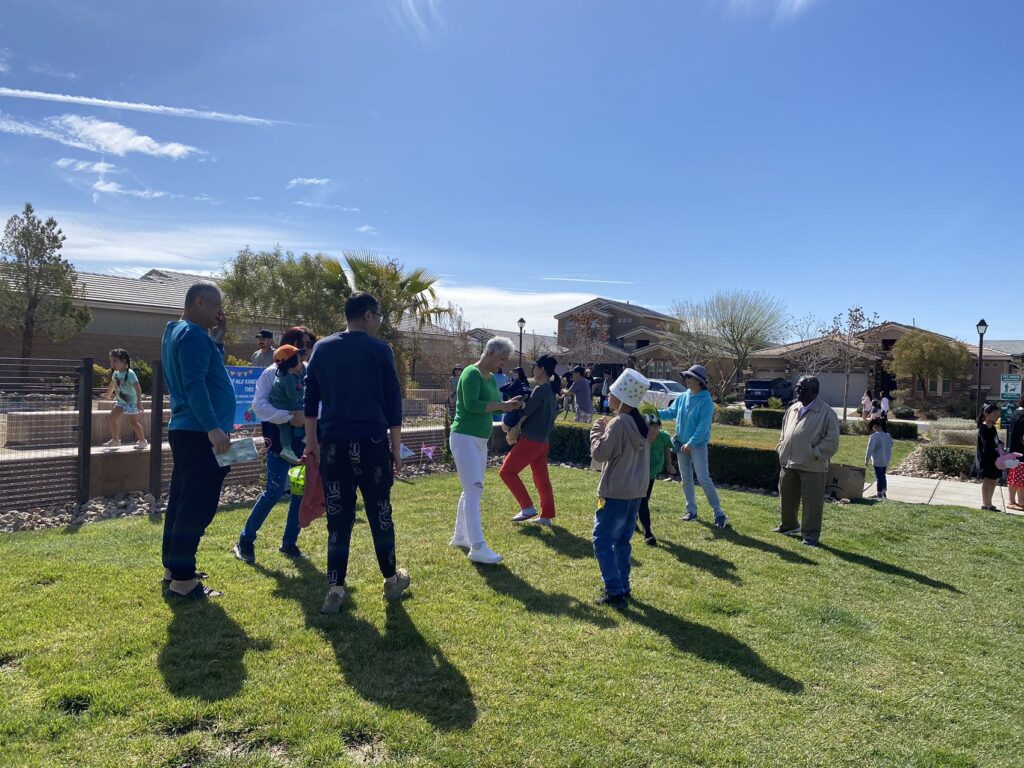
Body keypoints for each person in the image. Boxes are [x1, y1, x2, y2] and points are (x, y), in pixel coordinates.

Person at [304, 292, 411, 611]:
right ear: (367, 315)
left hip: (333, 442)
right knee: (380, 511)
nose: (379, 322)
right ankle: (392, 579)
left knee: (338, 517)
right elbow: (393, 401)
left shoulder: (323, 348)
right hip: (372, 441)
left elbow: (310, 400)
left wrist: (312, 441)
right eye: (378, 316)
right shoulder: (380, 349)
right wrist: (395, 447)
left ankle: (335, 589)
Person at [161, 282, 235, 598]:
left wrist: (215, 340)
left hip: (187, 430)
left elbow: (201, 372)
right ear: (199, 302)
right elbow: (194, 386)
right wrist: (214, 429)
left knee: (181, 500)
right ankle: (183, 581)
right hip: (199, 432)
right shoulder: (192, 335)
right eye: (216, 305)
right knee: (197, 505)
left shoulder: (176, 331)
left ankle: (174, 568)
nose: (220, 312)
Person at [233, 328, 318, 566]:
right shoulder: (270, 374)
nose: (308, 348)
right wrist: (289, 417)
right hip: (279, 442)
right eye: (304, 344)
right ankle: (245, 540)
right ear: (290, 346)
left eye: (310, 343)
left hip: (305, 441)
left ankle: (289, 543)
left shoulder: (310, 372)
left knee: (299, 492)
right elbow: (259, 407)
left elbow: (319, 403)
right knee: (273, 490)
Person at [449, 337, 524, 564]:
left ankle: (460, 536)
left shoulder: (490, 378)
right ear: (490, 352)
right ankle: (477, 546)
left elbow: (490, 406)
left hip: (479, 440)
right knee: (473, 490)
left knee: (472, 489)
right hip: (464, 438)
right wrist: (503, 405)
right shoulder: (471, 373)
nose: (503, 364)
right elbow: (472, 405)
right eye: (501, 359)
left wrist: (509, 404)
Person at [589, 368, 650, 606]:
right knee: (622, 542)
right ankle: (623, 585)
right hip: (635, 492)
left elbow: (600, 453)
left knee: (602, 539)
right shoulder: (641, 422)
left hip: (615, 492)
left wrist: (596, 430)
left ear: (621, 398)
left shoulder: (618, 423)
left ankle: (614, 589)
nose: (608, 397)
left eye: (611, 393)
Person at [658, 365, 729, 528]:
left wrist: (691, 443)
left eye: (689, 377)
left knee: (704, 479)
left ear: (699, 381)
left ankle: (719, 514)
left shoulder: (706, 400)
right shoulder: (683, 396)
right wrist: (652, 412)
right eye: (686, 377)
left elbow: (703, 427)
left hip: (697, 446)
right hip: (681, 445)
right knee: (686, 479)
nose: (686, 380)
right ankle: (691, 510)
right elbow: (670, 412)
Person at [774, 376, 841, 547]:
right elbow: (784, 432)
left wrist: (815, 453)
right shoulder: (793, 409)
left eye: (801, 388)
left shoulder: (827, 413)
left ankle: (810, 535)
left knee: (812, 503)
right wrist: (781, 446)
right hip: (789, 461)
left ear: (813, 391)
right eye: (797, 387)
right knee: (787, 497)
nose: (797, 391)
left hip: (812, 465)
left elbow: (832, 442)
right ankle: (788, 525)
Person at [502, 355, 560, 526]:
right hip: (543, 442)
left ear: (542, 370)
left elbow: (526, 413)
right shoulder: (551, 391)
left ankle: (527, 507)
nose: (533, 370)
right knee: (541, 479)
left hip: (531, 440)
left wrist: (517, 404)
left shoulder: (540, 390)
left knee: (506, 472)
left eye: (535, 367)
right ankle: (546, 516)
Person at [636, 405, 676, 546]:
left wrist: (669, 464)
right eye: (648, 427)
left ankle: (635, 518)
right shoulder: (637, 437)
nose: (652, 430)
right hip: (637, 472)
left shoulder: (663, 437)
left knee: (644, 498)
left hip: (652, 472)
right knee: (641, 499)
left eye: (655, 427)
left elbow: (666, 449)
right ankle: (648, 532)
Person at [102, 348, 148, 450]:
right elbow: (113, 384)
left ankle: (142, 441)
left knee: (133, 423)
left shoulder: (130, 374)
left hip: (131, 403)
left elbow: (138, 388)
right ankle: (116, 440)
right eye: (111, 361)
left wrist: (139, 403)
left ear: (124, 361)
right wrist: (108, 394)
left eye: (115, 361)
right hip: (121, 402)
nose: (112, 364)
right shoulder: (116, 373)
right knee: (112, 418)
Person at [268, 344, 305, 464]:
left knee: (284, 428)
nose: (301, 363)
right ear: (292, 362)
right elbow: (292, 395)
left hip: (278, 404)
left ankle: (287, 448)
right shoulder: (289, 378)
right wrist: (301, 390)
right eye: (299, 360)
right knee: (305, 410)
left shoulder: (282, 374)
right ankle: (305, 437)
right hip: (285, 405)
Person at [974, 403, 1003, 512]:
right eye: (995, 414)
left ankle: (989, 503)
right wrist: (995, 450)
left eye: (998, 415)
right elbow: (986, 445)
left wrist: (1000, 443)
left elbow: (994, 440)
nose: (997, 417)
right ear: (987, 414)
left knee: (994, 480)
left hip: (994, 458)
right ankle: (986, 505)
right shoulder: (984, 428)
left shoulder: (992, 428)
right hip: (987, 459)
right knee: (987, 481)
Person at [865, 418, 893, 499]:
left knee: (879, 477)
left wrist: (866, 459)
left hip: (877, 460)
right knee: (883, 476)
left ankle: (879, 493)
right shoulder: (887, 435)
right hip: (885, 459)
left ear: (876, 426)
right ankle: (883, 492)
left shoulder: (874, 436)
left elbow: (870, 448)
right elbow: (891, 445)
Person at [1007, 397, 1024, 512]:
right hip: (1021, 451)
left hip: (1014, 450)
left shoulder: (1016, 412)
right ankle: (1013, 501)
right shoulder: (1022, 415)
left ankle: (1018, 501)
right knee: (1018, 476)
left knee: (1016, 475)